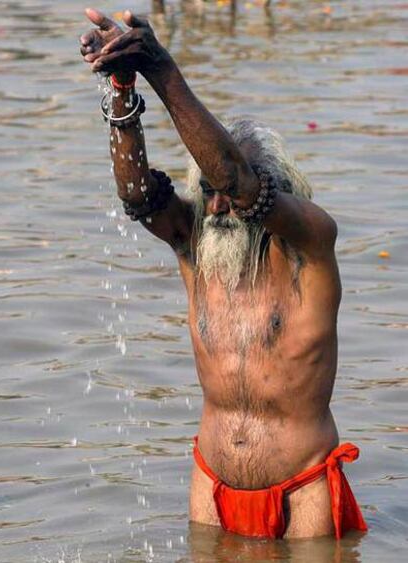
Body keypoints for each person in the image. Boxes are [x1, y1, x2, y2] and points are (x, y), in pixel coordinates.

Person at [80, 8, 368, 540]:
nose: (216, 209)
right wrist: (121, 87)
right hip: (210, 487)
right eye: (206, 195)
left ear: (276, 195)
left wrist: (161, 68)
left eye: (226, 196)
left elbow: (238, 183)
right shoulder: (195, 244)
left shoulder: (310, 245)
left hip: (301, 490)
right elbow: (138, 198)